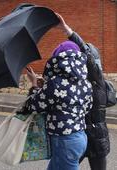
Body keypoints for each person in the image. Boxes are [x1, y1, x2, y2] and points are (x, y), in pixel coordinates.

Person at [21, 39, 93, 170]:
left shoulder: (55, 83)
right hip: (80, 137)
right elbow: (87, 108)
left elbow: (34, 106)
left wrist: (34, 85)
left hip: (64, 140)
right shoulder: (85, 83)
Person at [56, 14, 110, 170]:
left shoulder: (98, 81)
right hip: (80, 138)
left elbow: (87, 57)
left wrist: (69, 32)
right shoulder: (77, 81)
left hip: (95, 140)